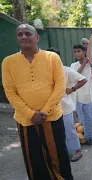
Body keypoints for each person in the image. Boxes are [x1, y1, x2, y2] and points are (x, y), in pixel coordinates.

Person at [2, 24, 73, 179]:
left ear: (37, 38)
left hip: (52, 117)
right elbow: (10, 92)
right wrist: (30, 114)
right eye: (19, 34)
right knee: (34, 161)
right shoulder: (8, 62)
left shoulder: (52, 58)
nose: (24, 36)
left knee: (58, 159)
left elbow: (60, 86)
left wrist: (45, 111)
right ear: (17, 39)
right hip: (26, 121)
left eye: (28, 33)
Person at [47, 47, 87, 162]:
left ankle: (76, 151)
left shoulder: (66, 70)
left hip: (65, 107)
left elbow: (83, 79)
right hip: (49, 108)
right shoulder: (43, 72)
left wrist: (72, 89)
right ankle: (57, 153)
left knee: (69, 129)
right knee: (53, 132)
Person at [70, 44, 92, 147]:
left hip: (89, 96)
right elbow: (74, 77)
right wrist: (83, 64)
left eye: (78, 51)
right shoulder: (73, 65)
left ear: (85, 52)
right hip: (78, 97)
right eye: (75, 52)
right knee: (83, 119)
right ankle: (87, 138)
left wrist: (91, 65)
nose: (76, 53)